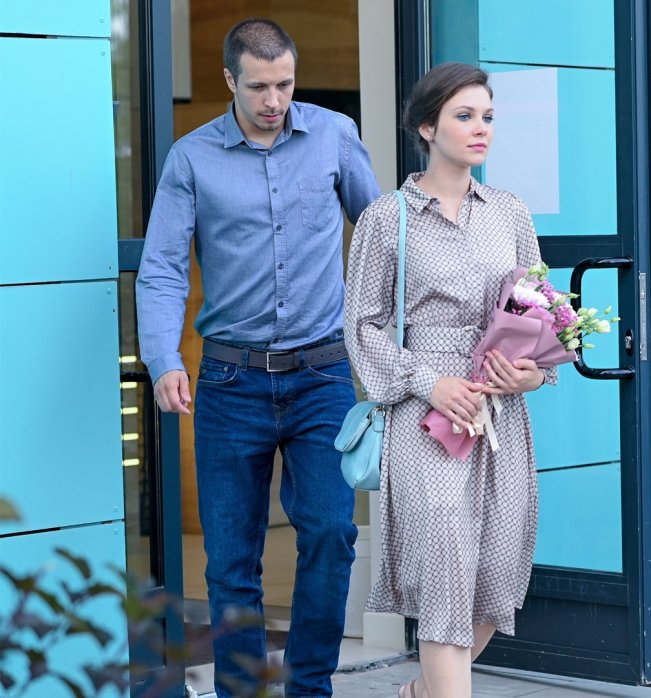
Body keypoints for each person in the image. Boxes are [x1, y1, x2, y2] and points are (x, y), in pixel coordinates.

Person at [136, 17, 381, 697]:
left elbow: (383, 234)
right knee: (230, 562)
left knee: (331, 532)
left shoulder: (333, 135)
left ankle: (309, 688)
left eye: (285, 84)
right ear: (230, 81)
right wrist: (163, 359)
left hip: (323, 374)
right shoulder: (191, 158)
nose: (275, 100)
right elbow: (161, 268)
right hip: (228, 379)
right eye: (259, 87)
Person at [343, 62, 554, 698]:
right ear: (427, 127)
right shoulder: (387, 218)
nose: (481, 127)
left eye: (487, 116)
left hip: (499, 415)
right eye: (464, 116)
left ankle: (419, 693)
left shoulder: (510, 212)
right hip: (425, 421)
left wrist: (531, 375)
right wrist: (428, 382)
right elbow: (361, 325)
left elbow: (538, 313)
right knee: (444, 577)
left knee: (495, 579)